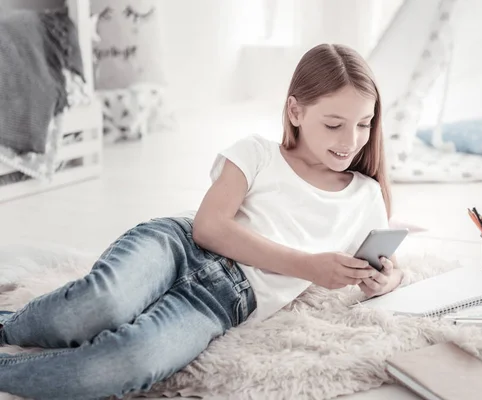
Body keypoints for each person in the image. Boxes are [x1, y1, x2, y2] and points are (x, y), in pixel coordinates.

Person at [0, 43, 403, 399]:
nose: (351, 140)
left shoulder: (364, 196)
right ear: (295, 110)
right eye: (334, 124)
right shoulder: (257, 153)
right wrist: (308, 267)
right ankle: (11, 326)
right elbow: (208, 228)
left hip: (223, 302)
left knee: (131, 360)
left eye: (364, 124)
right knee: (98, 305)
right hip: (176, 247)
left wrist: (386, 280)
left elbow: (388, 267)